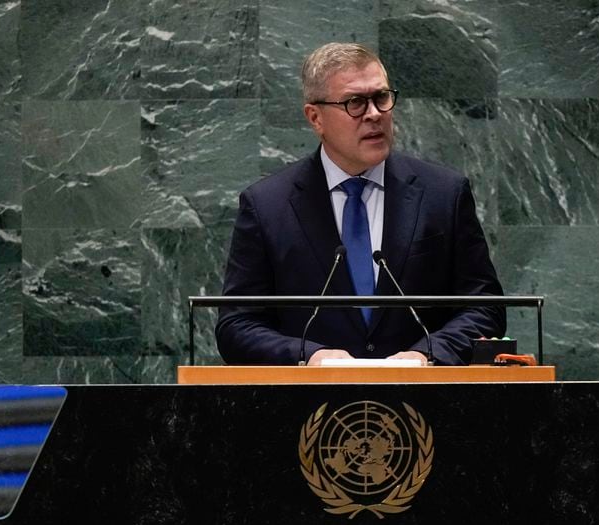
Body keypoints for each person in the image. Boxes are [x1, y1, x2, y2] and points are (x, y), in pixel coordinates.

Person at [216, 42, 505, 366]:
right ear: (315, 118)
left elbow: (484, 307)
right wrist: (310, 356)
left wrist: (426, 356)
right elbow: (236, 326)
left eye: (381, 98)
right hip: (307, 407)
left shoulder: (444, 194)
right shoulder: (267, 205)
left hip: (428, 403)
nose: (374, 114)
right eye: (355, 102)